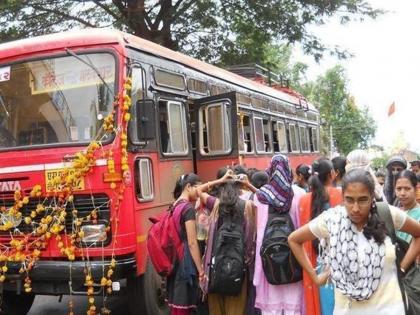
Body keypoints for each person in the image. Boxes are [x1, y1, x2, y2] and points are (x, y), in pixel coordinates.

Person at [289, 168, 420, 315]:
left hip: (390, 308)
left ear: (372, 197)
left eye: (363, 200)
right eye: (349, 200)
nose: (355, 209)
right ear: (343, 197)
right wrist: (315, 277)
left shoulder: (387, 214)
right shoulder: (332, 220)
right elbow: (294, 239)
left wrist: (402, 268)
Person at [253, 154, 304, 315]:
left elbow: (257, 230)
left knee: (271, 306)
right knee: (293, 304)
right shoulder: (299, 194)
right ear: (288, 170)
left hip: (268, 259)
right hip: (293, 258)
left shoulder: (260, 196)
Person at [200, 171, 256, 315]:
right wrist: (248, 185)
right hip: (238, 266)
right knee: (236, 309)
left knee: (216, 309)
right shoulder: (248, 206)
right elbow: (250, 241)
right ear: (239, 189)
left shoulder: (216, 204)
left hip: (215, 267)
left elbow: (198, 190)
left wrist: (220, 180)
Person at [299, 157, 342, 315]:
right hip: (336, 259)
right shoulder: (341, 195)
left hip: (312, 260)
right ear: (332, 174)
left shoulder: (303, 200)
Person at [166, 173, 205, 315]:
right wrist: (200, 270)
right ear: (188, 187)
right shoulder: (188, 209)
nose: (200, 193)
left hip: (174, 259)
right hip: (185, 261)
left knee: (176, 302)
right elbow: (192, 242)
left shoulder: (175, 205)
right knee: (185, 303)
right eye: (198, 188)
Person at [395, 170, 420, 242]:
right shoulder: (396, 213)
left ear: (415, 189)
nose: (402, 193)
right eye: (399, 189)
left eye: (407, 188)